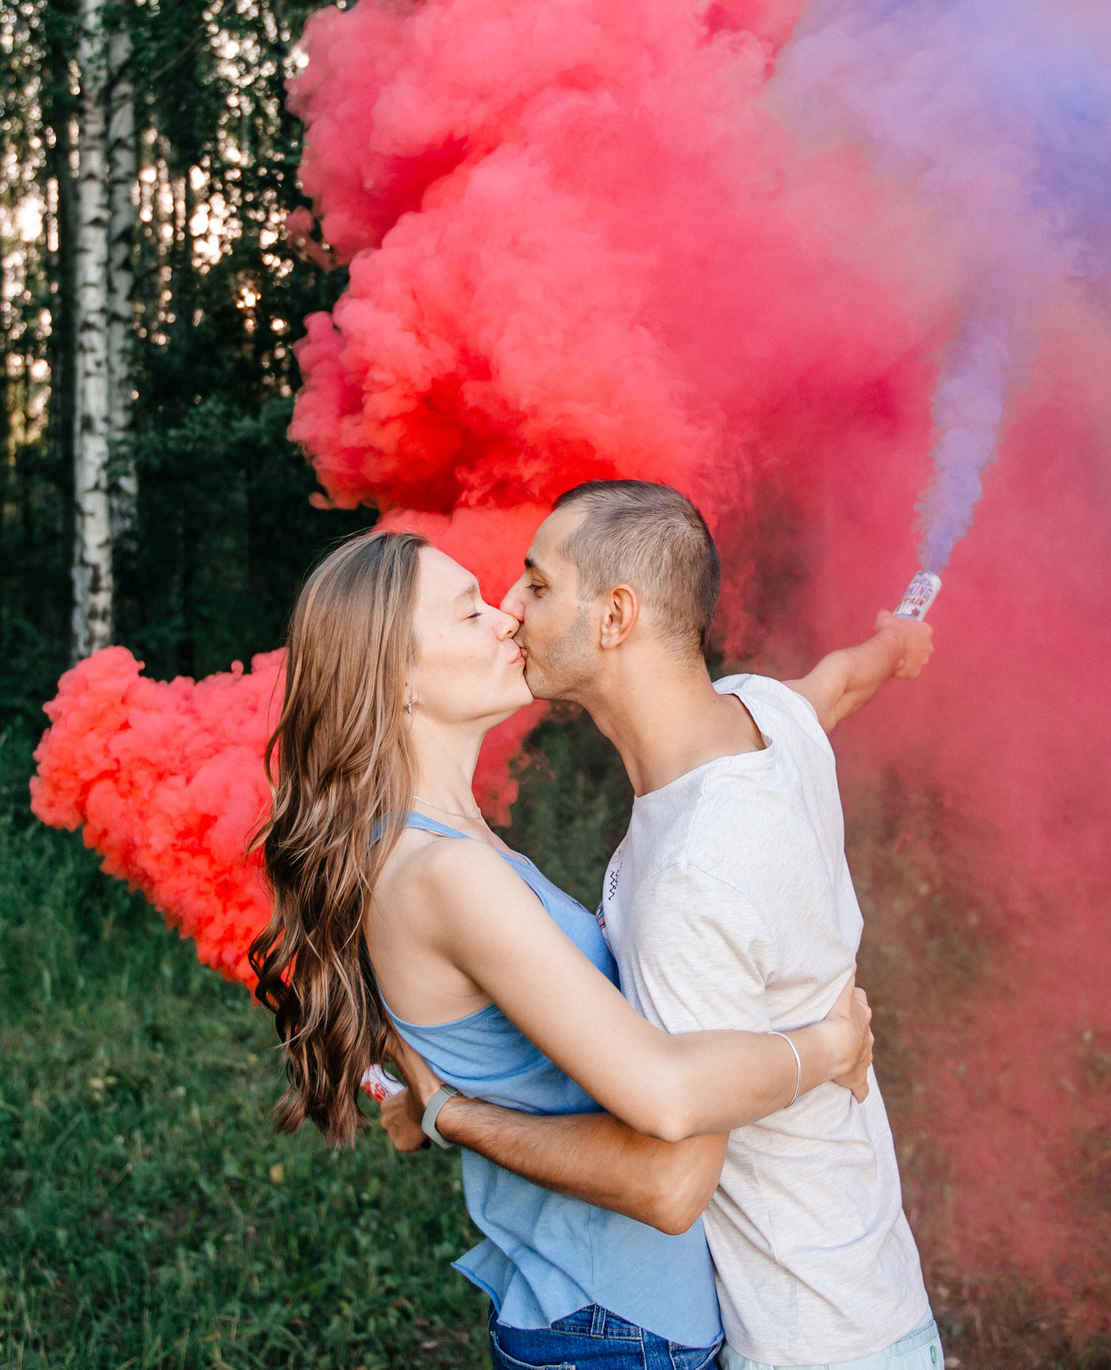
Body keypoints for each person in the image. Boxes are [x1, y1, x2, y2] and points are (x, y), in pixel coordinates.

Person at [248, 528, 879, 1370]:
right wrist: (829, 1047)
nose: (507, 618)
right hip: (615, 1330)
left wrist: (442, 1112)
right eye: (470, 612)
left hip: (599, 1319)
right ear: (396, 679)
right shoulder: (447, 872)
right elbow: (664, 1098)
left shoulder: (431, 849)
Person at [380, 481, 940, 1370]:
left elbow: (671, 1176)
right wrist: (893, 646)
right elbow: (834, 686)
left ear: (615, 618)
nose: (513, 610)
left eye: (537, 585)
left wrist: (450, 1112)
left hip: (800, 1334)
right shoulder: (762, 714)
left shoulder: (693, 881)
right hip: (871, 1291)